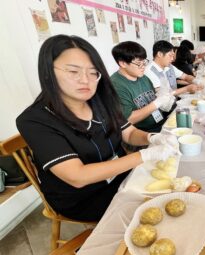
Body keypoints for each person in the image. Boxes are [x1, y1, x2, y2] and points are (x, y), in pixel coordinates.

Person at [16, 35, 178, 222]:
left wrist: (152, 138)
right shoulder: (35, 120)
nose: (85, 80)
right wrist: (144, 156)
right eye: (73, 71)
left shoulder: (99, 100)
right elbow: (78, 176)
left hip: (122, 176)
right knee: (155, 213)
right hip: (85, 196)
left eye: (93, 73)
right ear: (48, 72)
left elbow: (130, 132)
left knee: (171, 190)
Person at [110, 41, 174, 133]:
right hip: (142, 132)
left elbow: (152, 96)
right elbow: (129, 119)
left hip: (160, 122)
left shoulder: (143, 77)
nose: (143, 66)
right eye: (139, 63)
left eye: (144, 62)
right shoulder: (116, 85)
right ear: (123, 63)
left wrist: (162, 94)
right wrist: (157, 103)